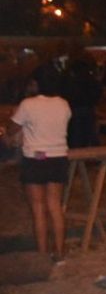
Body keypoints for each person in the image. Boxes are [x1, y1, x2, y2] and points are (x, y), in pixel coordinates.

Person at [7, 65, 72, 263]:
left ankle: (42, 255)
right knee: (55, 205)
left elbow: (12, 128)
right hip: (58, 157)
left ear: (37, 83)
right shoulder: (63, 104)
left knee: (38, 208)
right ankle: (59, 253)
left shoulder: (28, 104)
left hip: (35, 159)